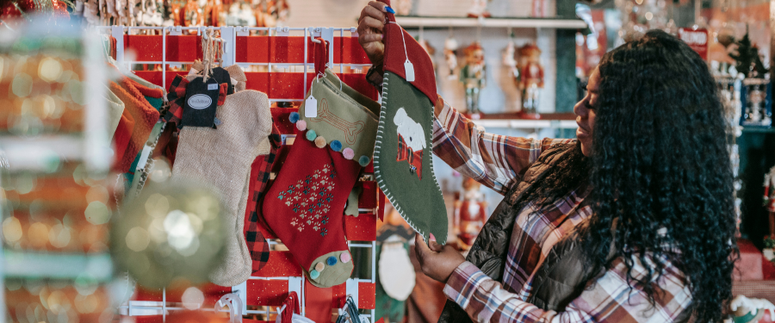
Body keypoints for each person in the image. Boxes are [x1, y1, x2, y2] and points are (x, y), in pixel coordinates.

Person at [357, 2, 738, 322]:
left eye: (595, 105)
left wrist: (459, 275)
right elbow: (475, 148)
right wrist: (397, 68)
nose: (577, 111)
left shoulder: (668, 258)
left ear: (646, 126)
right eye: (584, 96)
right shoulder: (571, 163)